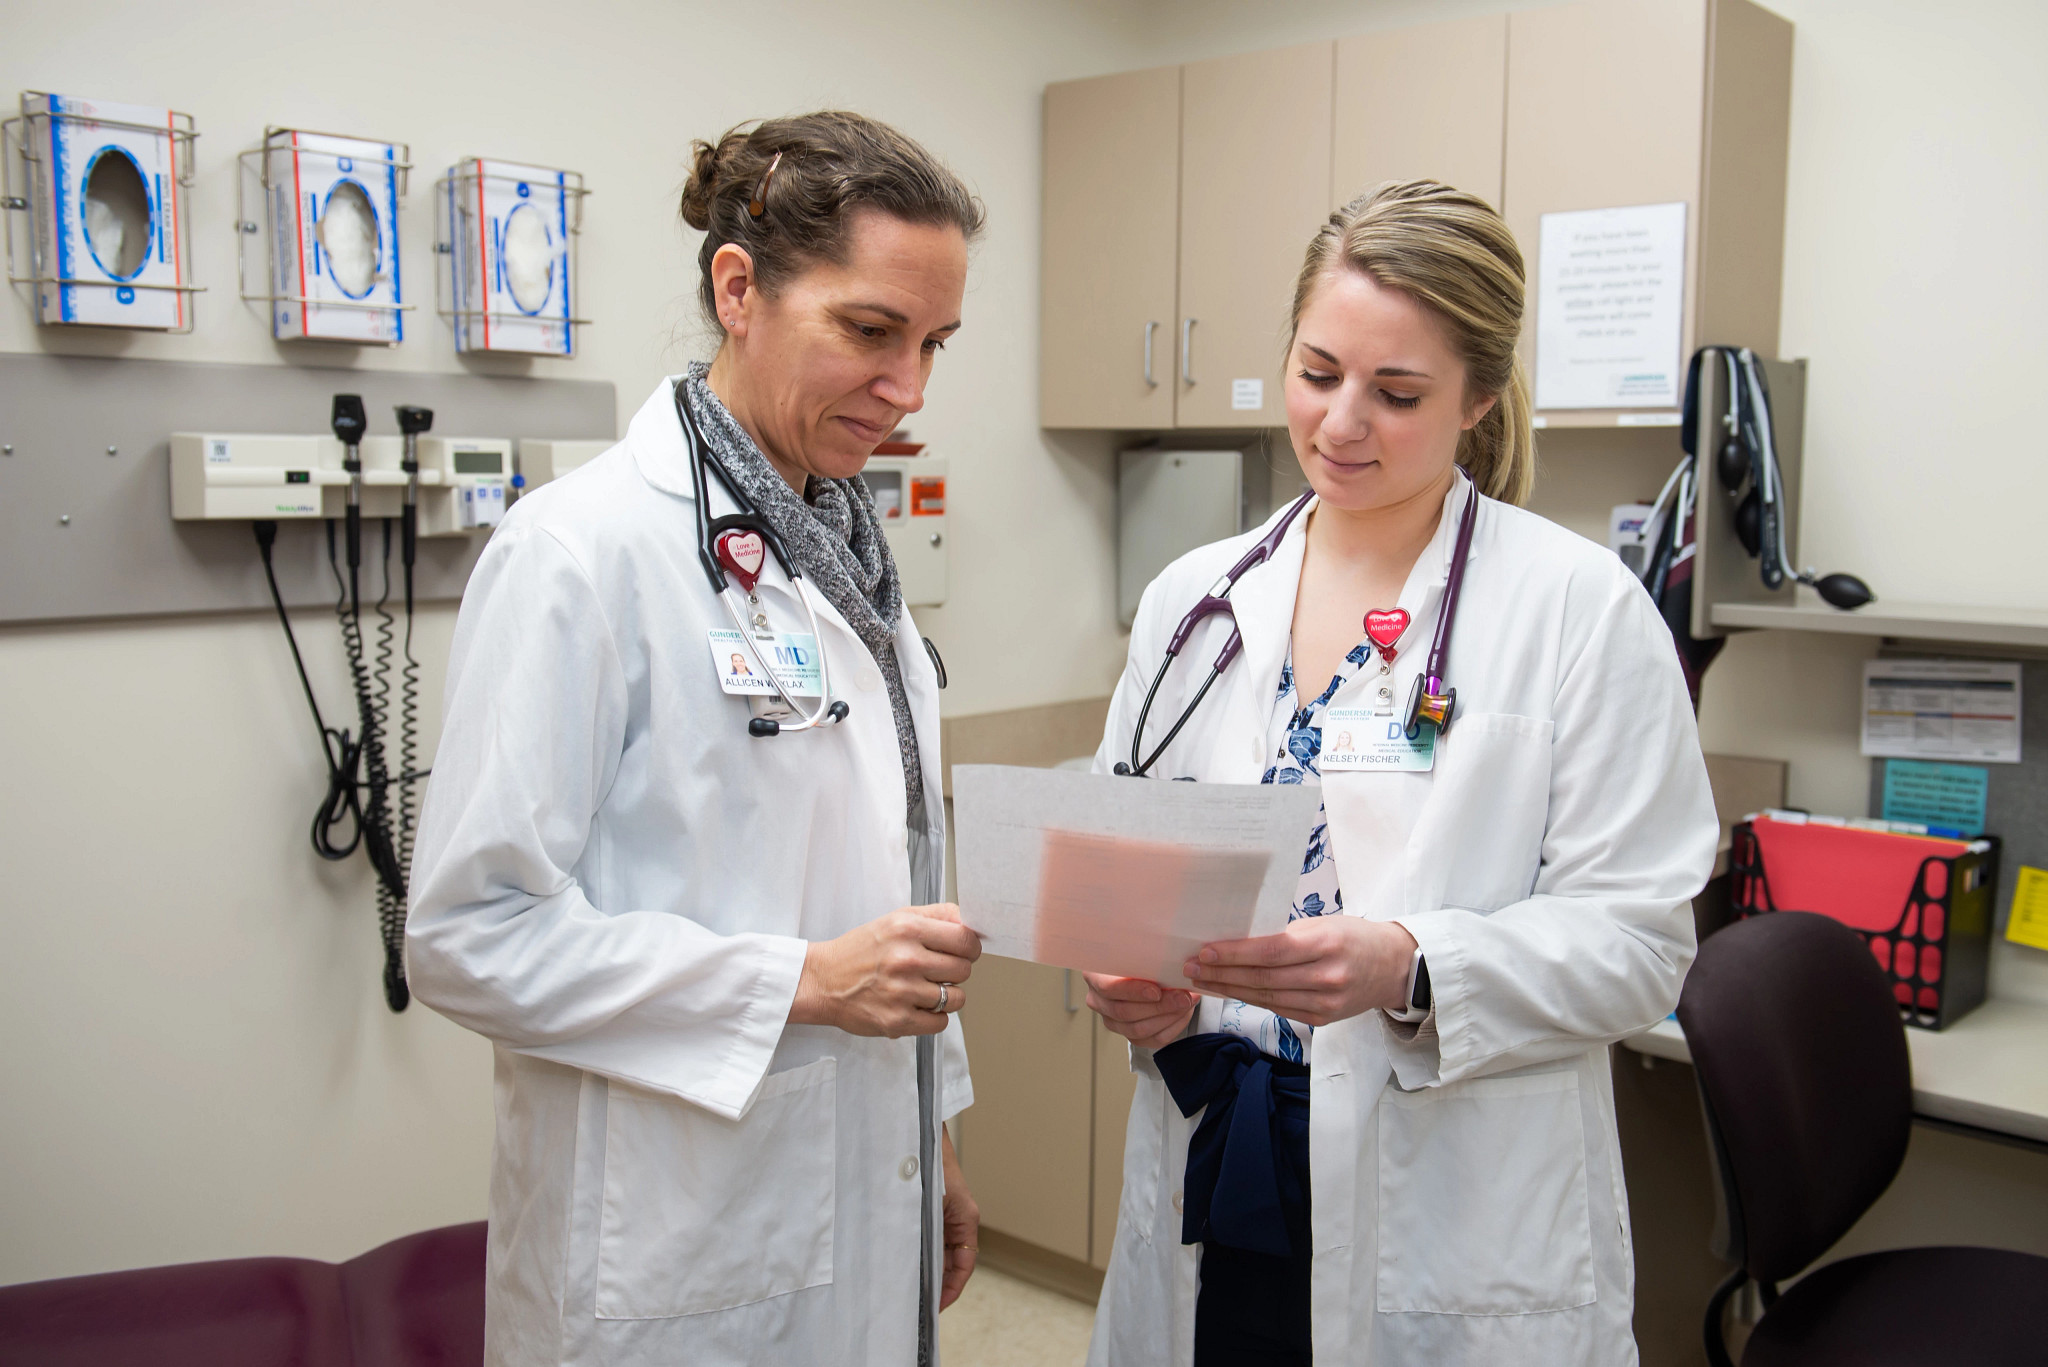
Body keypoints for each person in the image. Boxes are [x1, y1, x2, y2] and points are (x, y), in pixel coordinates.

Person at [1082, 181, 1718, 1366]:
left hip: (1450, 1194)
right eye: (1317, 371)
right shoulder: (1195, 603)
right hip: (1217, 1155)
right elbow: (1132, 869)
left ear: (1478, 398)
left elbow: (1640, 946)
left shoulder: (1575, 610)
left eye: (1397, 392)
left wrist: (1411, 964)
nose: (1340, 422)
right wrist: (1135, 988)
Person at [406, 111, 986, 1367]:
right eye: (871, 330)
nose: (910, 390)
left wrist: (928, 1130)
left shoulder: (849, 557)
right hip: (680, 1246)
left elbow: (891, 886)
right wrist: (801, 983)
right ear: (740, 288)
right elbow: (464, 935)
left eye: (932, 342)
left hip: (857, 1182)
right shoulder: (581, 553)